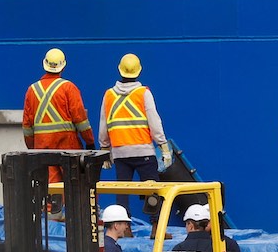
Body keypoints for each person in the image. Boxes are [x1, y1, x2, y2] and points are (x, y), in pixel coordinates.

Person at [99, 53, 173, 191]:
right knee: (153, 194)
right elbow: (154, 122)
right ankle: (155, 214)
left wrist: (104, 150)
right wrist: (164, 148)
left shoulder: (109, 95)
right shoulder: (143, 93)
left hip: (120, 154)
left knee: (122, 194)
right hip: (143, 152)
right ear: (139, 71)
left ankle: (121, 213)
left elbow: (104, 124)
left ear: (119, 69)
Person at [23, 48, 95, 186]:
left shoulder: (32, 90)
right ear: (63, 66)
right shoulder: (69, 88)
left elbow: (27, 126)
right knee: (75, 187)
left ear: (44, 64)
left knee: (51, 189)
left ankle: (51, 208)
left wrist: (32, 147)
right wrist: (90, 142)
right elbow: (80, 119)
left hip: (42, 146)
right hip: (68, 145)